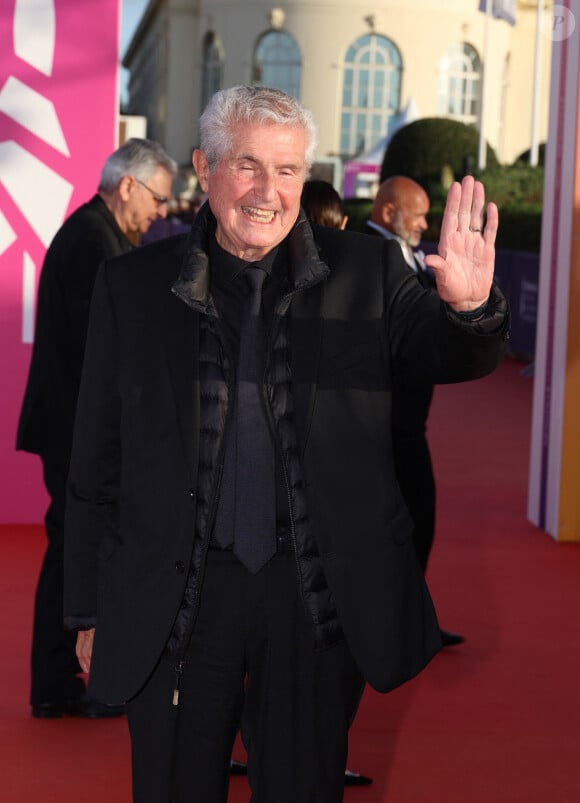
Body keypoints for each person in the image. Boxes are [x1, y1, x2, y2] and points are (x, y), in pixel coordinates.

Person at [64, 86, 509, 802]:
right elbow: (95, 458)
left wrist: (469, 308)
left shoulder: (366, 274)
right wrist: (84, 607)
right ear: (204, 168)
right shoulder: (132, 287)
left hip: (311, 595)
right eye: (247, 165)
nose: (267, 192)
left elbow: (451, 355)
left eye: (288, 170)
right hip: (178, 594)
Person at [16, 138, 177, 719]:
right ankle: (57, 682)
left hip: (70, 424)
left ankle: (59, 681)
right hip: (72, 428)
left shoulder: (97, 234)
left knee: (71, 547)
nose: (161, 212)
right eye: (158, 198)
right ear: (127, 185)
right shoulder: (93, 241)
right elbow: (102, 350)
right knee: (71, 550)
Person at [366, 175, 465, 647]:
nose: (426, 223)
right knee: (395, 522)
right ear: (387, 213)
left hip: (407, 423)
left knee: (417, 519)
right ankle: (394, 626)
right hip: (378, 423)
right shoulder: (364, 254)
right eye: (419, 214)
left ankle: (407, 621)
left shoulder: (411, 258)